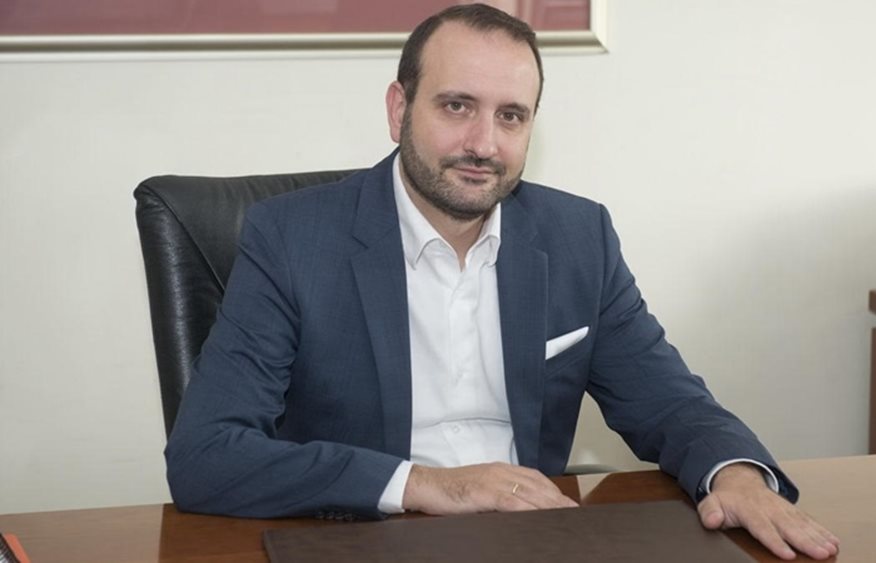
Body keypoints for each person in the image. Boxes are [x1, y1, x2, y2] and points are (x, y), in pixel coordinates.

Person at [165, 4, 839, 560]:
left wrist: (736, 474)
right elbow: (205, 457)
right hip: (366, 536)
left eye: (510, 115)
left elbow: (668, 401)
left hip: (531, 540)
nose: (484, 144)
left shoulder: (578, 237)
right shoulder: (292, 239)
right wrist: (431, 485)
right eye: (457, 106)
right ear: (399, 109)